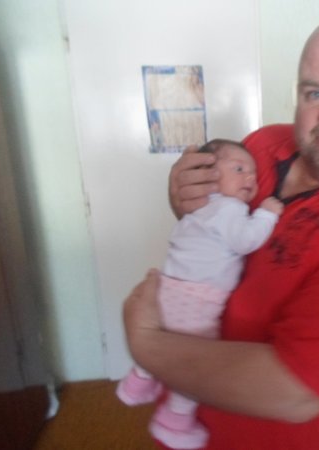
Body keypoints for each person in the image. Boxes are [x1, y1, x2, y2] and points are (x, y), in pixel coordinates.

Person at [123, 12, 319, 450]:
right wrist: (184, 200)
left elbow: (293, 391)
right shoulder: (264, 145)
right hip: (185, 425)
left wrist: (146, 344)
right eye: (314, 93)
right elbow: (216, 226)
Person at [117, 139, 283, 449]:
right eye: (238, 169)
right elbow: (245, 241)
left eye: (252, 173)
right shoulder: (229, 208)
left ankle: (137, 383)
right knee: (193, 361)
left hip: (171, 287)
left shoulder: (201, 209)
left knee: (168, 337)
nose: (250, 178)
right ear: (207, 174)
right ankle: (175, 418)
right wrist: (267, 215)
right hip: (198, 298)